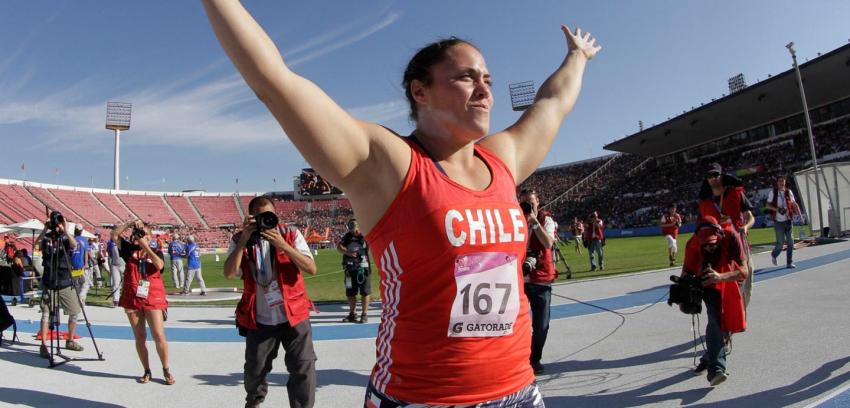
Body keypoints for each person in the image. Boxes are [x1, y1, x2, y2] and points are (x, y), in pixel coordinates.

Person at [203, 1, 599, 404]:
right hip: (420, 396)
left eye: (489, 80)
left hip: (518, 391)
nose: (484, 90)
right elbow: (274, 82)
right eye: (466, 77)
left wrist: (577, 56)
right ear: (419, 90)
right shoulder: (388, 164)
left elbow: (553, 103)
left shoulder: (504, 159)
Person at [224, 196, 317, 408]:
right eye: (258, 216)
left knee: (303, 367)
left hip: (294, 315)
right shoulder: (240, 238)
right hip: (260, 318)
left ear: (276, 215)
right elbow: (230, 273)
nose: (264, 220)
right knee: (254, 371)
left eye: (268, 215)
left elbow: (311, 268)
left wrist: (283, 245)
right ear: (250, 217)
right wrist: (244, 240)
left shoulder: (290, 234)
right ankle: (254, 402)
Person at [681, 216, 748, 386]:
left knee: (726, 326)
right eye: (706, 245)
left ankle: (708, 358)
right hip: (707, 285)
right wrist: (683, 297)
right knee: (715, 319)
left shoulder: (731, 236)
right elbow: (685, 273)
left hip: (729, 279)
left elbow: (744, 271)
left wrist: (720, 277)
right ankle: (716, 370)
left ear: (719, 234)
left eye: (713, 243)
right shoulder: (693, 245)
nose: (710, 247)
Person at [112, 220, 175, 385]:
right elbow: (114, 235)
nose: (138, 237)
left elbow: (159, 265)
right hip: (133, 298)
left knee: (159, 335)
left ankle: (166, 368)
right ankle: (146, 370)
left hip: (153, 297)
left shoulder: (156, 251)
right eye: (137, 234)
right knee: (140, 337)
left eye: (143, 234)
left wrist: (145, 246)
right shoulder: (128, 250)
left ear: (149, 237)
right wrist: (129, 224)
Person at [698, 163, 755, 307]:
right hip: (717, 247)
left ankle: (741, 313)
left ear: (721, 175)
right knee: (720, 284)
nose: (713, 179)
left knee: (746, 278)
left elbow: (750, 217)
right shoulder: (705, 202)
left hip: (738, 242)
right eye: (709, 176)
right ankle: (726, 318)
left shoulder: (735, 193)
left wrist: (746, 227)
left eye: (715, 175)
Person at [520, 189, 557, 375]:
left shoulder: (546, 220)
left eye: (531, 203)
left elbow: (548, 243)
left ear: (538, 202)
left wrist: (534, 223)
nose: (528, 207)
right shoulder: (515, 219)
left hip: (541, 278)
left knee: (541, 325)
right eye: (524, 203)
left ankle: (535, 358)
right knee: (517, 324)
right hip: (519, 279)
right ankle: (520, 359)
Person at [37, 213, 84, 358]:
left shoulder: (65, 237)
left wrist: (65, 229)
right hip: (50, 281)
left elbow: (74, 244)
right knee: (46, 313)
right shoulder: (46, 237)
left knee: (74, 312)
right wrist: (45, 229)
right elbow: (37, 246)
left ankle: (70, 340)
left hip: (65, 281)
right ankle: (44, 345)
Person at [337, 218, 371, 324]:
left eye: (355, 229)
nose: (354, 232)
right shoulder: (347, 236)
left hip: (363, 268)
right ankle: (352, 314)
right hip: (349, 269)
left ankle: (364, 314)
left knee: (365, 292)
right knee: (350, 292)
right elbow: (339, 247)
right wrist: (347, 252)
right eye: (352, 230)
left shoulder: (365, 235)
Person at [765, 175, 802, 268]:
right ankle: (774, 254)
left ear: (785, 182)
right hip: (778, 222)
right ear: (777, 183)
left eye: (783, 181)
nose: (781, 183)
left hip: (788, 220)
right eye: (780, 181)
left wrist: (800, 216)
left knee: (790, 242)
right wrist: (777, 209)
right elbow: (767, 205)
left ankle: (789, 262)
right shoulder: (773, 192)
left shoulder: (788, 192)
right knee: (780, 243)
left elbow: (794, 204)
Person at [69, 225, 91, 303]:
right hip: (82, 265)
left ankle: (78, 301)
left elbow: (69, 253)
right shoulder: (84, 240)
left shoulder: (71, 240)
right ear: (81, 231)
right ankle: (81, 298)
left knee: (76, 284)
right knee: (85, 284)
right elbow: (86, 252)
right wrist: (86, 263)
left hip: (73, 265)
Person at [107, 231, 126, 307]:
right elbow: (109, 254)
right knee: (116, 283)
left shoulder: (124, 243)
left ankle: (124, 299)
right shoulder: (111, 243)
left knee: (125, 283)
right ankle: (116, 300)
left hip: (123, 265)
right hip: (115, 265)